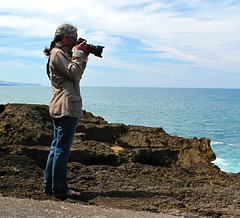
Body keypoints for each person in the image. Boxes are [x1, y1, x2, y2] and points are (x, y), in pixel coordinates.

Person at [43, 24, 89, 199]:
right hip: (66, 106)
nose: (77, 42)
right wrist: (77, 54)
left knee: (56, 148)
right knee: (62, 149)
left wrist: (82, 57)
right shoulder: (58, 53)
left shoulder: (61, 53)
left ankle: (50, 187)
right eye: (75, 39)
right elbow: (73, 74)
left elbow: (77, 73)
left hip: (63, 105)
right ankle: (60, 189)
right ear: (65, 38)